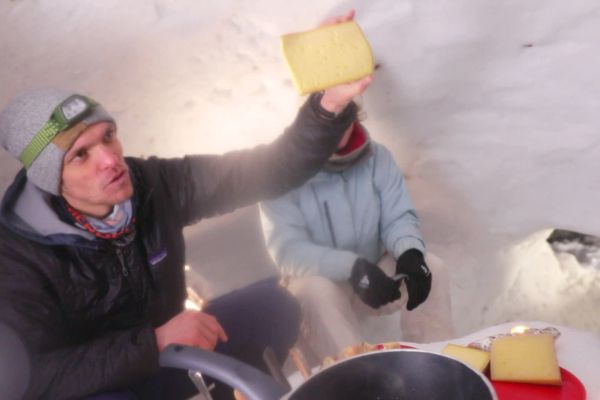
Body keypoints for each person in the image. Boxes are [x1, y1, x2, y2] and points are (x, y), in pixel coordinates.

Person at [0, 18, 372, 400]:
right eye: (81, 155)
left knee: (273, 307)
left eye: (108, 137)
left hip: (171, 352)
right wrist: (153, 342)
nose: (111, 160)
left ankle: (237, 393)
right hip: (99, 385)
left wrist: (329, 105)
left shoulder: (152, 184)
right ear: (51, 180)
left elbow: (265, 171)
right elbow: (31, 380)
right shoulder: (16, 255)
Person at [259, 103, 454, 360]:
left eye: (342, 121)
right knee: (313, 292)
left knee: (430, 268)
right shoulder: (279, 173)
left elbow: (397, 217)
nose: (334, 131)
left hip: (375, 274)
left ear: (354, 118)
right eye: (324, 121)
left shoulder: (378, 158)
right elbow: (288, 251)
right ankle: (358, 376)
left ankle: (434, 362)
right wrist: (352, 269)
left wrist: (409, 252)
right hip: (320, 280)